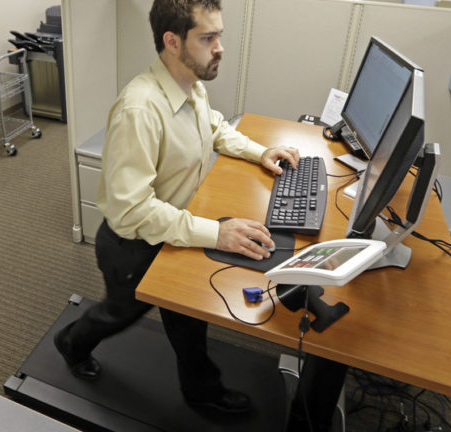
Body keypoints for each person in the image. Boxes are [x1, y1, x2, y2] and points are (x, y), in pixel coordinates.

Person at [53, 0, 299, 414]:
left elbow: (216, 127)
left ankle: (201, 390)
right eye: (208, 38)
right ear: (173, 41)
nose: (219, 47)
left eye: (219, 35)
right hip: (133, 244)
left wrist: (260, 152)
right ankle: (70, 342)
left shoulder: (189, 82)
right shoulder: (139, 109)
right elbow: (132, 211)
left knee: (186, 318)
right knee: (119, 313)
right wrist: (216, 232)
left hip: (175, 226)